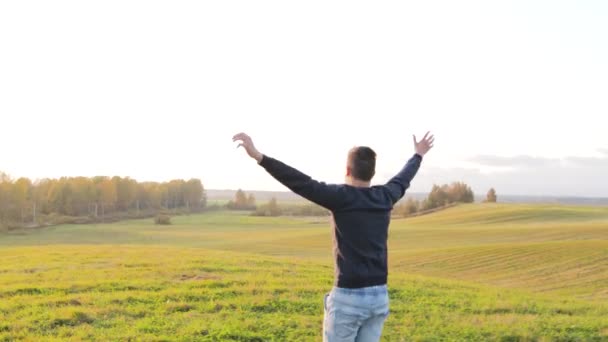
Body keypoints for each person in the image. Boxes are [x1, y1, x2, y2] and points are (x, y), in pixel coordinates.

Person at [232, 131, 434, 342]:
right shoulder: (385, 196)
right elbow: (404, 178)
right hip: (379, 297)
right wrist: (418, 155)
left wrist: (259, 157)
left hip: (349, 297)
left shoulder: (340, 197)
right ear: (372, 173)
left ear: (347, 170)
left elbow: (300, 182)